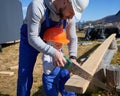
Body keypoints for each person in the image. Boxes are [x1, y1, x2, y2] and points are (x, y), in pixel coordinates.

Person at [17, 0, 89, 96]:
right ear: (65, 2)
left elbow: (72, 38)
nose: (71, 17)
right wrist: (54, 53)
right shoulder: (37, 6)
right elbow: (33, 38)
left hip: (53, 41)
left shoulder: (68, 15)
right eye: (71, 12)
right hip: (30, 39)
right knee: (24, 74)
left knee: (63, 70)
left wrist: (73, 57)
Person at [42, 27, 75, 96]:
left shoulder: (60, 50)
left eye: (61, 43)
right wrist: (54, 63)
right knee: (51, 92)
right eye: (57, 43)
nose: (60, 44)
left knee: (66, 85)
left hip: (59, 74)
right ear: (49, 42)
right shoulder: (47, 54)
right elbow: (46, 67)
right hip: (50, 78)